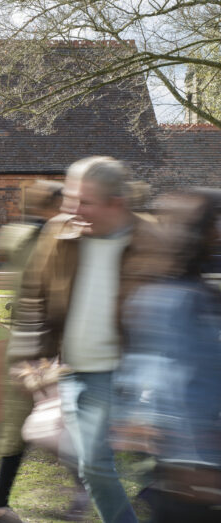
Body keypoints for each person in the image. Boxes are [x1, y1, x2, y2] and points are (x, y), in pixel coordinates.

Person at [3, 157, 163, 523]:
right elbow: (34, 296)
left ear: (115, 204)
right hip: (76, 371)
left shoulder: (150, 240)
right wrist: (28, 357)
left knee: (115, 464)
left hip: (129, 373)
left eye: (84, 201)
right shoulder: (60, 233)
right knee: (92, 465)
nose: (71, 208)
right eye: (70, 197)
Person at [113, 190, 221, 522]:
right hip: (191, 473)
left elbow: (141, 375)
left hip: (175, 469)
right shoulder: (181, 302)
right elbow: (176, 383)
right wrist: (196, 462)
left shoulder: (153, 297)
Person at [0, 180, 90, 523]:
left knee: (24, 430)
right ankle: (81, 491)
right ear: (51, 206)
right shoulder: (55, 241)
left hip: (22, 344)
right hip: (46, 346)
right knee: (59, 421)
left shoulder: (15, 237)